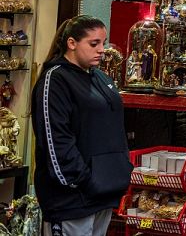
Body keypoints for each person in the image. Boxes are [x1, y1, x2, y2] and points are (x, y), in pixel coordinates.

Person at [32, 16, 133, 236]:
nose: (101, 50)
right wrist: (81, 180)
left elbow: (114, 129)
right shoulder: (56, 79)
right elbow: (55, 139)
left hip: (103, 193)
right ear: (71, 43)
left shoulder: (100, 78)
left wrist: (120, 170)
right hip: (71, 199)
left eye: (103, 44)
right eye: (94, 44)